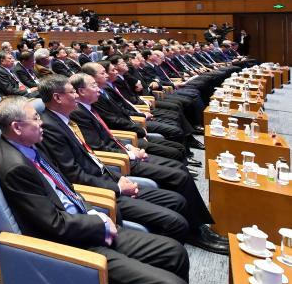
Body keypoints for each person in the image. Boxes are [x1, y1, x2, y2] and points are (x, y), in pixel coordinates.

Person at [0, 97, 196, 284]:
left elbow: (66, 188)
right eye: (35, 118)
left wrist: (94, 213)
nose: (41, 122)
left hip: (86, 223)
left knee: (175, 252)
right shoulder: (15, 167)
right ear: (17, 127)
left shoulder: (30, 144)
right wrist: (99, 224)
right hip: (74, 246)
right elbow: (53, 225)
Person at [69, 73, 228, 254]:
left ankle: (198, 227)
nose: (99, 85)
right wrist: (128, 153)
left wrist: (127, 146)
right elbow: (97, 148)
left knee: (178, 167)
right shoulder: (77, 115)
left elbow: (106, 137)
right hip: (119, 163)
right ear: (80, 91)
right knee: (179, 174)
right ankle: (195, 231)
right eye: (94, 84)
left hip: (121, 151)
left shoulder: (87, 107)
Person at [36, 75, 191, 241]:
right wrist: (117, 187)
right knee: (176, 218)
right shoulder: (49, 127)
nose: (76, 96)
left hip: (109, 176)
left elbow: (91, 157)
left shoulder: (64, 120)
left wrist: (119, 178)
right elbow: (74, 174)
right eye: (72, 92)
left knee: (177, 200)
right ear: (58, 97)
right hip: (101, 192)